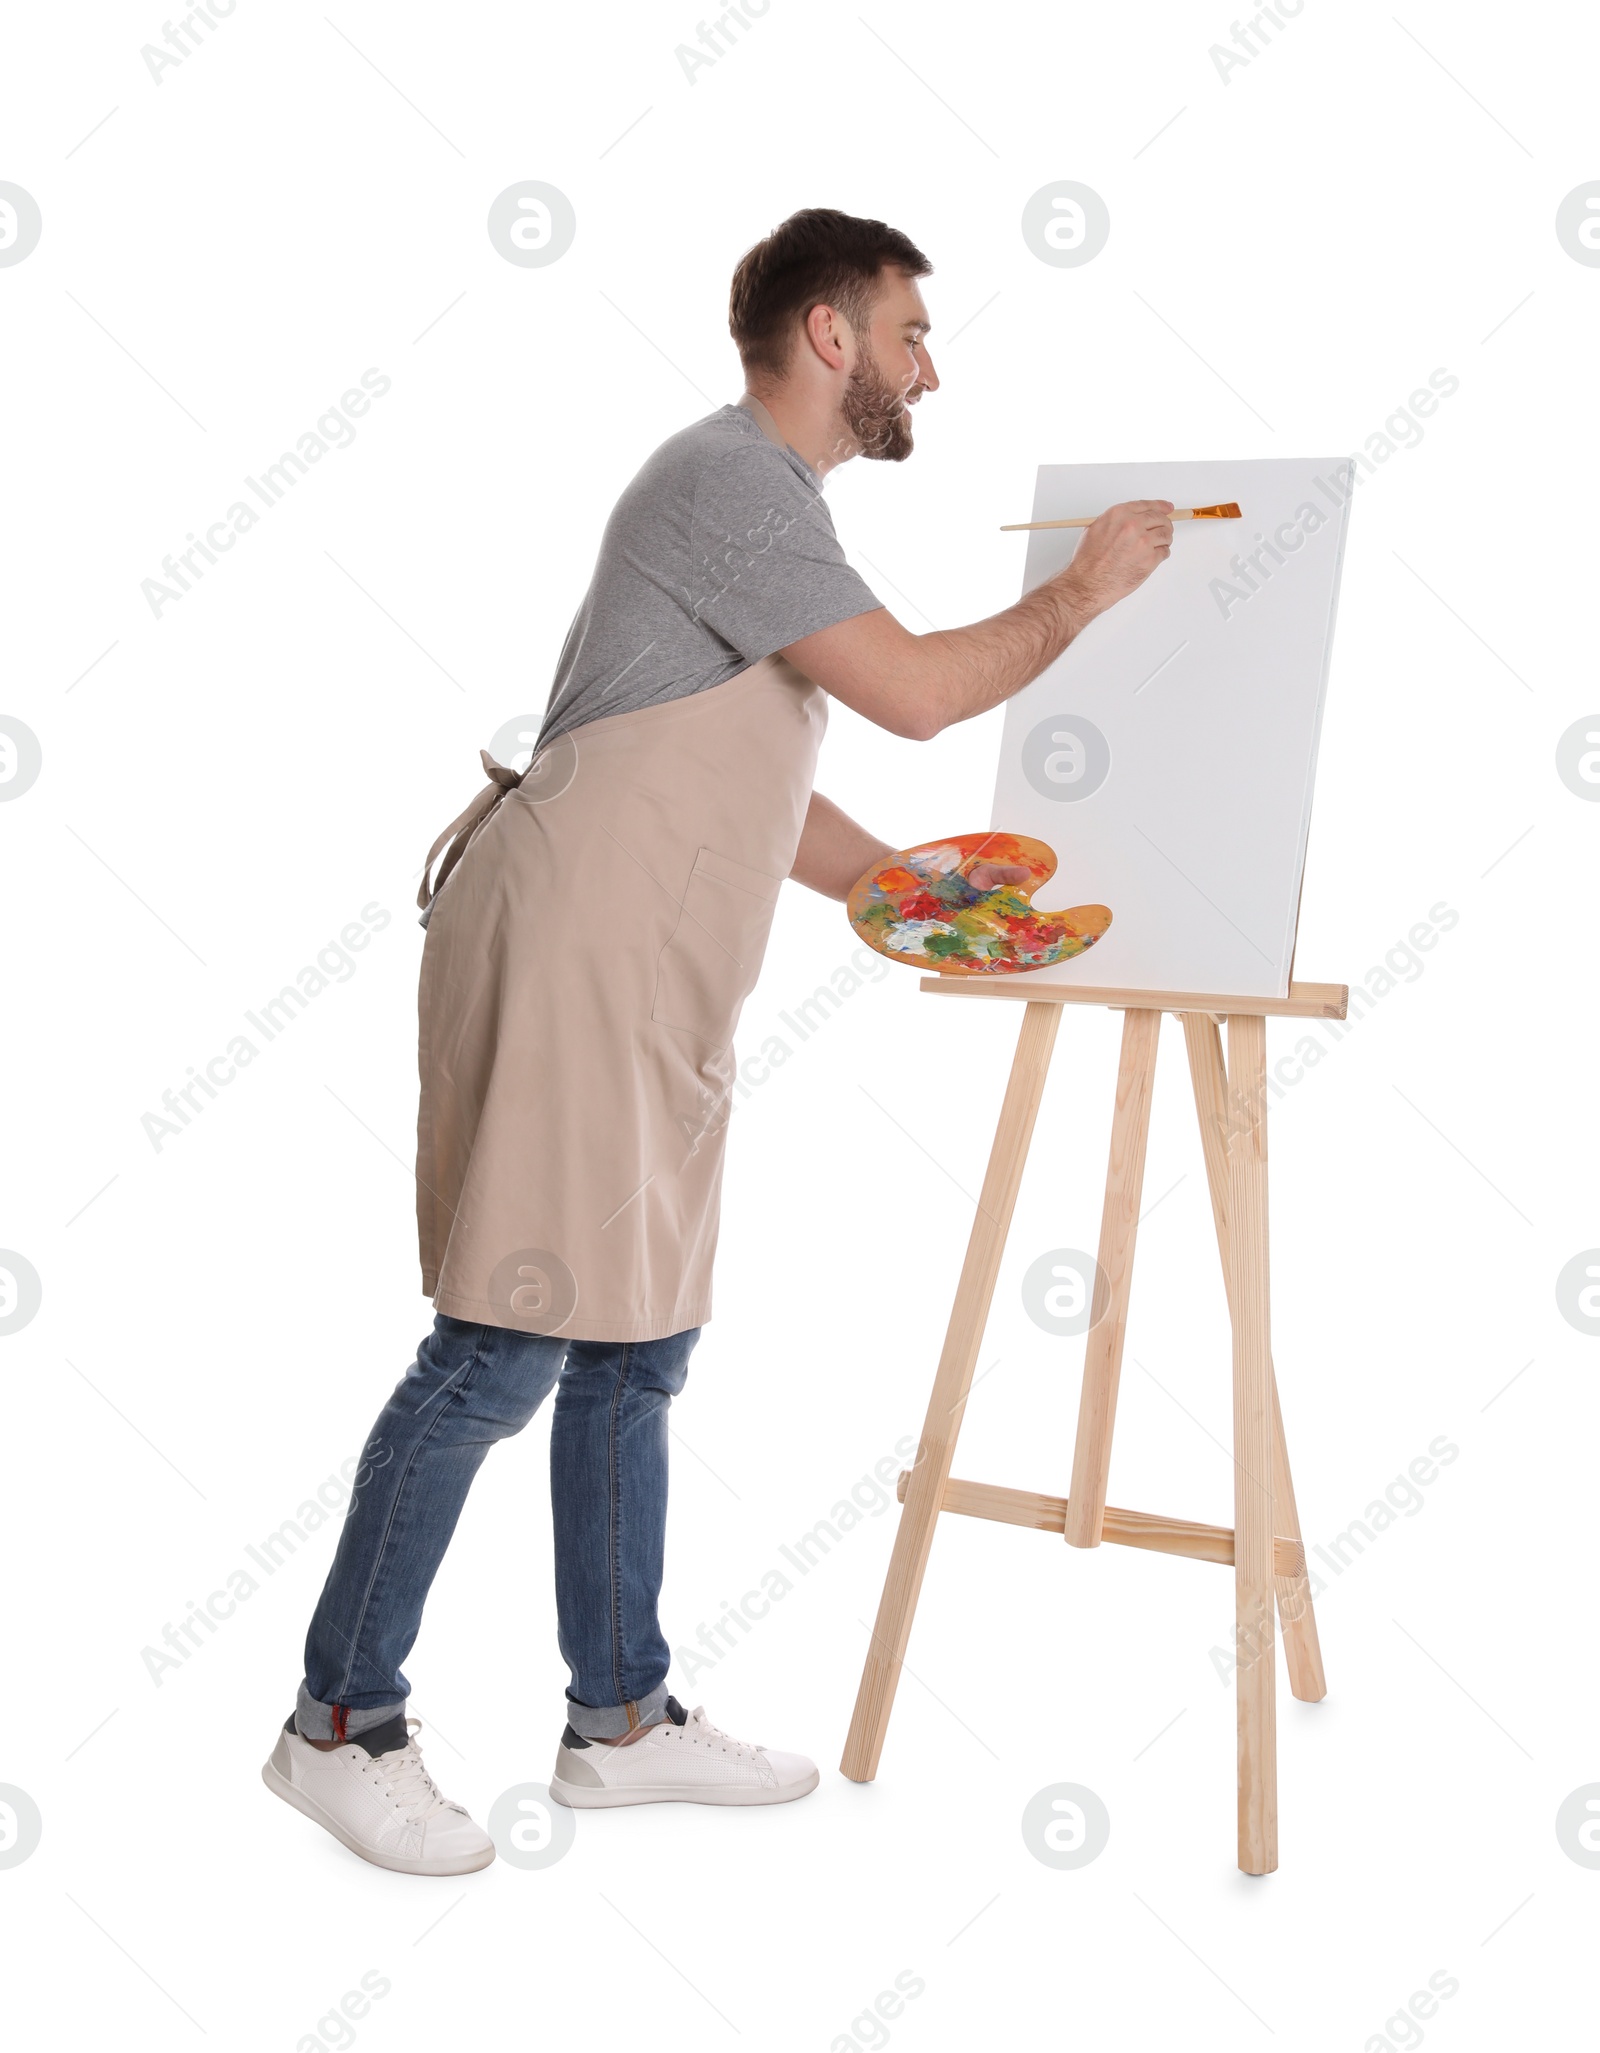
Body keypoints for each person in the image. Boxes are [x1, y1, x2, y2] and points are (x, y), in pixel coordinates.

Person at [262, 207, 1173, 1874]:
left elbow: (763, 770)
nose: (927, 367)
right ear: (831, 334)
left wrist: (889, 883)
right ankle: (338, 1723)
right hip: (568, 951)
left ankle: (618, 1721)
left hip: (651, 968)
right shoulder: (730, 481)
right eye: (910, 333)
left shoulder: (771, 517)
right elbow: (908, 691)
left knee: (637, 1342)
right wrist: (1085, 594)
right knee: (505, 1343)